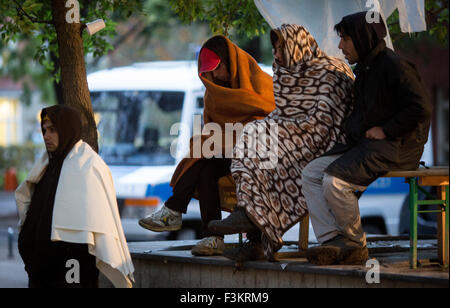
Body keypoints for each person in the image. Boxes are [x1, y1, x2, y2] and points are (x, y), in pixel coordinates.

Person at [208, 24, 355, 262]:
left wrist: (281, 133)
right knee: (253, 137)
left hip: (328, 144)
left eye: (280, 49)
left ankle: (253, 224)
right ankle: (249, 218)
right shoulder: (288, 72)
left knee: (266, 150)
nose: (276, 55)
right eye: (276, 49)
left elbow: (324, 125)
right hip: (294, 139)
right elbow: (284, 113)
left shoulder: (331, 72)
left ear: (296, 46)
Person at [301, 12, 432, 265]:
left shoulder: (395, 66)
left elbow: (422, 108)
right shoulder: (366, 69)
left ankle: (355, 244)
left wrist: (387, 130)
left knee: (335, 181)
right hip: (370, 146)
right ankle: (332, 241)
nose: (340, 46)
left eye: (346, 39)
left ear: (362, 38)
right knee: (310, 174)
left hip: (398, 149)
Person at [138, 35, 276, 256]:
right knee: (205, 166)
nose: (213, 76)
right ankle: (212, 237)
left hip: (262, 155)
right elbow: (213, 128)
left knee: (204, 149)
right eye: (208, 72)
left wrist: (229, 137)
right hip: (227, 150)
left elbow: (270, 125)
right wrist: (224, 139)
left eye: (217, 68)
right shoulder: (214, 92)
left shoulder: (262, 82)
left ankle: (174, 209)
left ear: (231, 62)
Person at [16, 105, 134, 288]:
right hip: (40, 273)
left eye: (52, 130)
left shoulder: (88, 167)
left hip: (72, 272)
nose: (46, 136)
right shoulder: (47, 165)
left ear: (66, 129)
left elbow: (90, 230)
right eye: (44, 130)